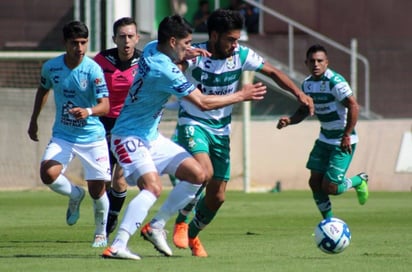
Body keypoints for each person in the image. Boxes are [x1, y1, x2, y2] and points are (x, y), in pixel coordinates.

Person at [101, 14, 267, 260]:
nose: (190, 48)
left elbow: (172, 55)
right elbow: (202, 102)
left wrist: (185, 54)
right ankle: (117, 245)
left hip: (150, 137)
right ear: (171, 41)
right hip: (127, 137)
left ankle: (157, 225)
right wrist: (240, 95)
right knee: (153, 187)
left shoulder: (149, 48)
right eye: (186, 43)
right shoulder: (165, 70)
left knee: (199, 174)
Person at [161, 8, 314, 257]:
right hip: (193, 122)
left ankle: (193, 235)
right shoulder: (194, 54)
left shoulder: (241, 55)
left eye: (237, 39)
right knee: (203, 171)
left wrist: (299, 94)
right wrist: (176, 61)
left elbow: (273, 72)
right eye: (230, 39)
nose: (235, 44)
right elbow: (164, 63)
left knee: (218, 197)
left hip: (221, 131)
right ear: (213, 35)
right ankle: (180, 221)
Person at [27, 21, 111, 248]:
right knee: (48, 173)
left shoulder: (93, 70)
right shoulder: (51, 67)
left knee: (97, 190)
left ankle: (100, 232)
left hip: (92, 138)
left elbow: (106, 105)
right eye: (75, 43)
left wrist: (88, 111)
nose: (80, 48)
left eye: (84, 43)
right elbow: (43, 89)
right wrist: (34, 119)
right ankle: (74, 195)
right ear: (65, 43)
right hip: (63, 135)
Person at [276, 44, 369, 219]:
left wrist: (347, 134)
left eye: (320, 61)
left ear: (327, 62)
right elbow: (304, 110)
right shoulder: (307, 84)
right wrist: (289, 120)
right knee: (314, 182)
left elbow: (354, 105)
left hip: (343, 139)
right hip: (324, 138)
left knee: (331, 188)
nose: (316, 64)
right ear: (306, 63)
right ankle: (329, 222)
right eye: (312, 61)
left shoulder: (335, 81)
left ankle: (359, 180)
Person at [94, 17, 141, 237]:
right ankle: (102, 217)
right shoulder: (101, 60)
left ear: (137, 38)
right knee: (100, 179)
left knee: (120, 178)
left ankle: (112, 216)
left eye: (131, 36)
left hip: (129, 125)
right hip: (102, 123)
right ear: (114, 39)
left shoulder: (145, 62)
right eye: (122, 36)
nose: (126, 41)